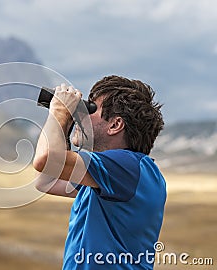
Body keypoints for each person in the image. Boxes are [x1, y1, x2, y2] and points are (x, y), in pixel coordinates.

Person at [33, 75, 166, 269]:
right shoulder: (109, 176)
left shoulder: (127, 167)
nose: (81, 115)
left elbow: (45, 160)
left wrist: (60, 112)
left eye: (91, 108)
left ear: (115, 125)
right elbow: (46, 181)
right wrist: (65, 127)